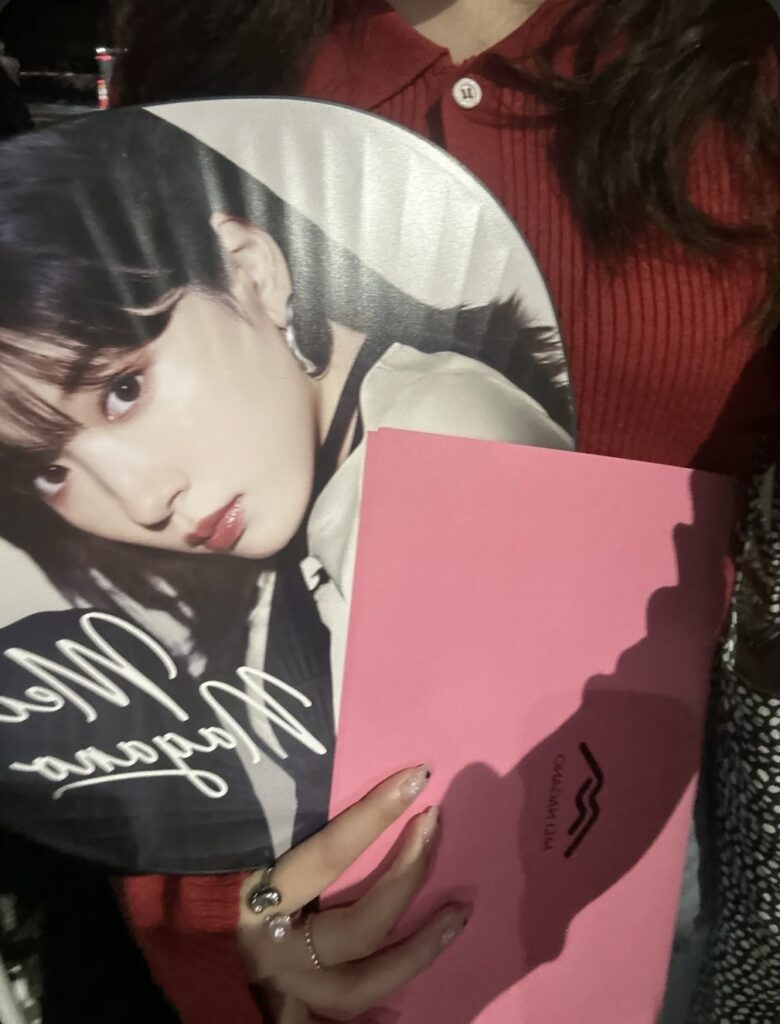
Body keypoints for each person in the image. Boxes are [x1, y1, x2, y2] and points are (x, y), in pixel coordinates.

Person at [73, 0, 780, 1020]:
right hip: (274, 907)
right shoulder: (211, 53)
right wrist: (220, 913)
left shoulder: (741, 71)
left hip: (638, 897)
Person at [0, 105, 572, 1022]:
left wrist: (270, 923)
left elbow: (449, 866)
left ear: (252, 269)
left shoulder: (440, 457)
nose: (141, 500)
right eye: (51, 470)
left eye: (123, 387)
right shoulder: (345, 485)